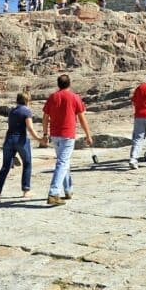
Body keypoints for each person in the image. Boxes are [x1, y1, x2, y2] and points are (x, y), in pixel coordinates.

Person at [42, 74, 93, 205]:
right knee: (63, 162)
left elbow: (45, 117)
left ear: (58, 84)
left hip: (55, 134)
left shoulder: (53, 97)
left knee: (63, 162)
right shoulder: (74, 97)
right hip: (67, 134)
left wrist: (45, 133)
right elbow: (82, 118)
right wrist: (88, 135)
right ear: (69, 84)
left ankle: (68, 189)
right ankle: (53, 193)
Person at [0, 93, 45, 203]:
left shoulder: (12, 111)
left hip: (8, 140)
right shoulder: (26, 111)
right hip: (21, 140)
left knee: (5, 167)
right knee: (27, 163)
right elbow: (30, 128)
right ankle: (26, 190)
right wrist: (39, 139)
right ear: (27, 101)